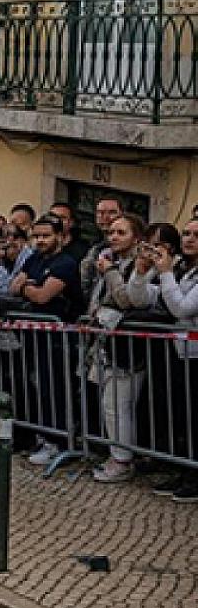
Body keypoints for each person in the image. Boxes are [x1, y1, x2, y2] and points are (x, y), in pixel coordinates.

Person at [12, 215, 84, 466]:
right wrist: (27, 286)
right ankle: (42, 436)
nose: (40, 240)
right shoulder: (34, 259)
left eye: (46, 236)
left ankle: (58, 441)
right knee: (37, 387)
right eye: (37, 236)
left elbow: (43, 296)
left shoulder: (65, 263)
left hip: (59, 340)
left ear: (60, 237)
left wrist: (27, 287)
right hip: (35, 336)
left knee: (54, 389)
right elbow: (13, 286)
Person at [87, 212, 148, 482]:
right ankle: (117, 454)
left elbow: (125, 299)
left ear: (136, 238)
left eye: (121, 233)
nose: (113, 237)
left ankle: (122, 460)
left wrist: (109, 272)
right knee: (110, 404)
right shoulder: (111, 261)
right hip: (104, 342)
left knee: (118, 405)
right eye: (111, 232)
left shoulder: (138, 266)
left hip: (128, 348)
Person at [153, 218, 198, 501]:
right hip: (180, 353)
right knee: (182, 417)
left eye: (196, 235)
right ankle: (184, 468)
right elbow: (158, 299)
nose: (189, 238)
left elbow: (182, 308)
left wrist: (167, 274)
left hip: (195, 355)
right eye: (186, 233)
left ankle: (194, 476)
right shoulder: (185, 269)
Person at [82, 195, 125, 293]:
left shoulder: (128, 249)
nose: (106, 217)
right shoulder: (94, 247)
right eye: (101, 213)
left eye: (112, 212)